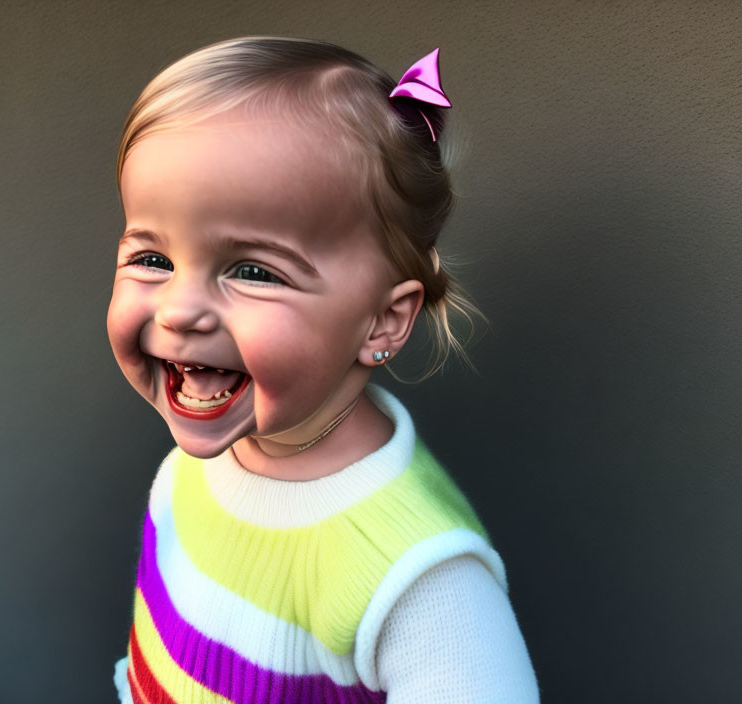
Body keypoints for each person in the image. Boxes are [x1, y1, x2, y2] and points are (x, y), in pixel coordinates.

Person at [106, 36, 539, 703]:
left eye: (252, 270)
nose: (180, 309)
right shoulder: (198, 460)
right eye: (152, 259)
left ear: (382, 322)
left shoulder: (416, 579)